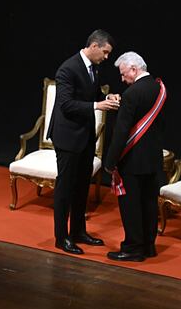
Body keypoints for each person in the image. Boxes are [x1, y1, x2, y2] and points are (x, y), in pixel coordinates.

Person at [48, 29, 120, 254]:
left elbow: (93, 94)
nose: (107, 58)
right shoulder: (68, 69)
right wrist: (96, 106)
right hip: (68, 138)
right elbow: (66, 105)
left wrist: (105, 98)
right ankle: (62, 237)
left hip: (85, 137)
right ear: (95, 46)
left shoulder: (93, 67)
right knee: (65, 188)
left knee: (81, 187)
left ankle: (78, 231)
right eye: (106, 53)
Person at [103, 51, 167, 262]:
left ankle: (132, 249)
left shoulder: (132, 94)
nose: (122, 79)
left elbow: (121, 132)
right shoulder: (159, 87)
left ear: (134, 69)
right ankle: (148, 246)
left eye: (123, 74)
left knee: (131, 207)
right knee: (149, 204)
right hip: (152, 158)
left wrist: (110, 162)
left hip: (132, 160)